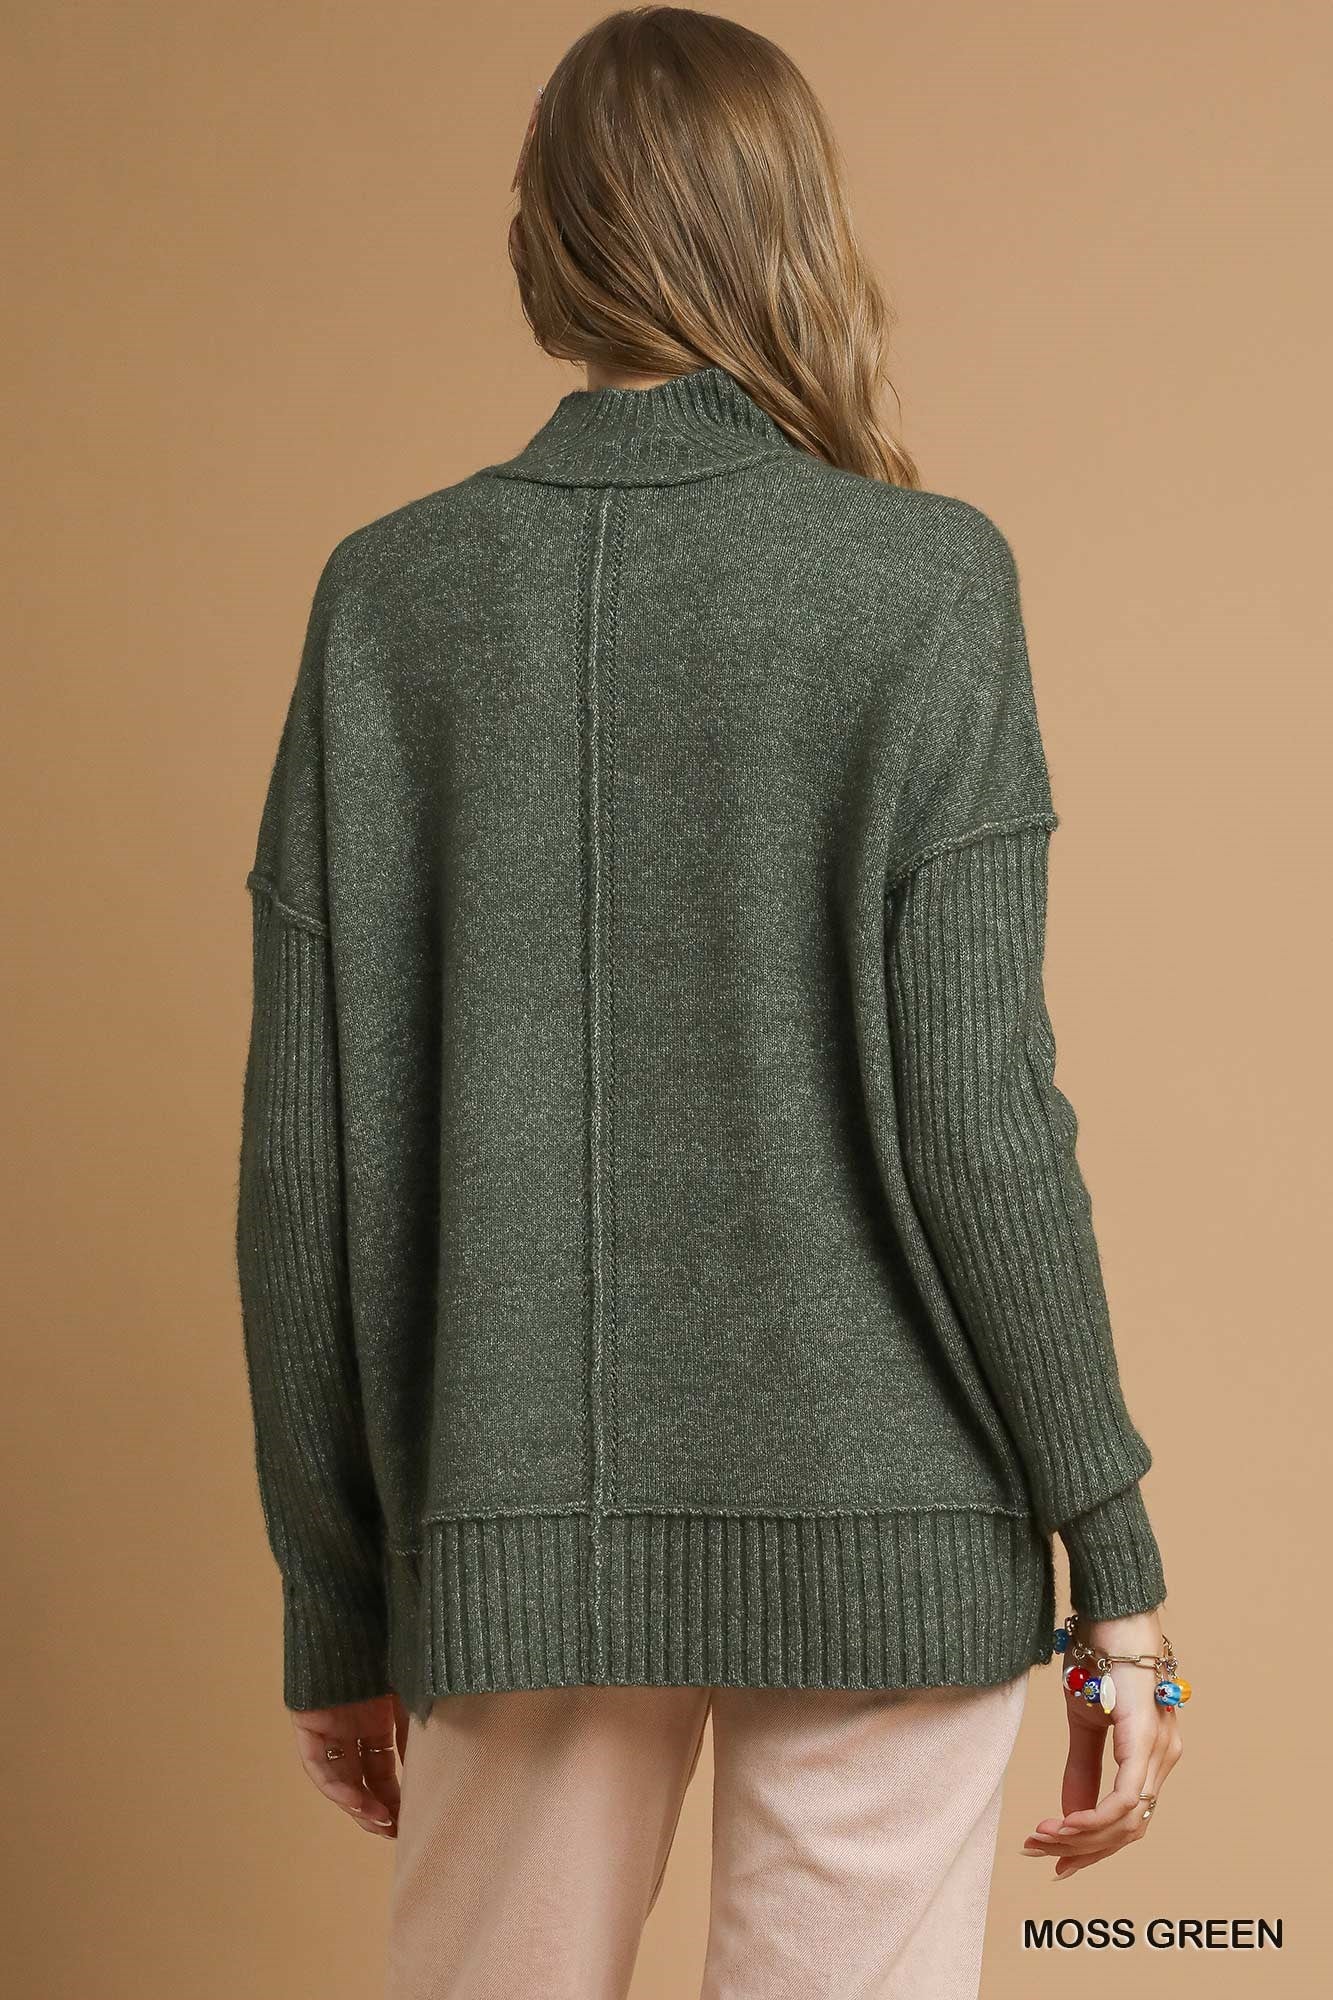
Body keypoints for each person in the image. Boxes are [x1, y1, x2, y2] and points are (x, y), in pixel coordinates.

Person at [234, 8, 1185, 1996]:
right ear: (793, 228)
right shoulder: (922, 581)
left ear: (547, 239)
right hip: (891, 1511)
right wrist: (1115, 1565)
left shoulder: (391, 598)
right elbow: (981, 1115)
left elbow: (309, 1170)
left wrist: (339, 1601)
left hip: (510, 1523)